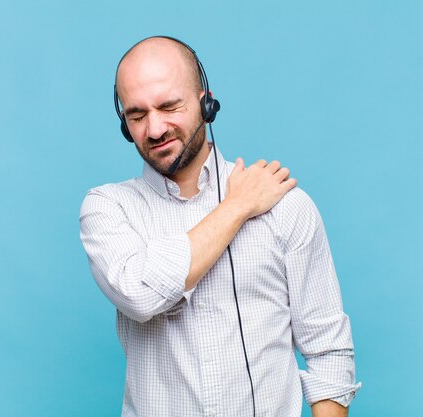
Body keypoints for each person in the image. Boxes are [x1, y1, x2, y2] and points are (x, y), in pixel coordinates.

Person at [79, 36, 361, 417]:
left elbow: (328, 351)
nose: (155, 128)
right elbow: (140, 294)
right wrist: (239, 206)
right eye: (137, 115)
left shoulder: (285, 206)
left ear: (205, 102)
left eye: (168, 106)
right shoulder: (109, 208)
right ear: (125, 125)